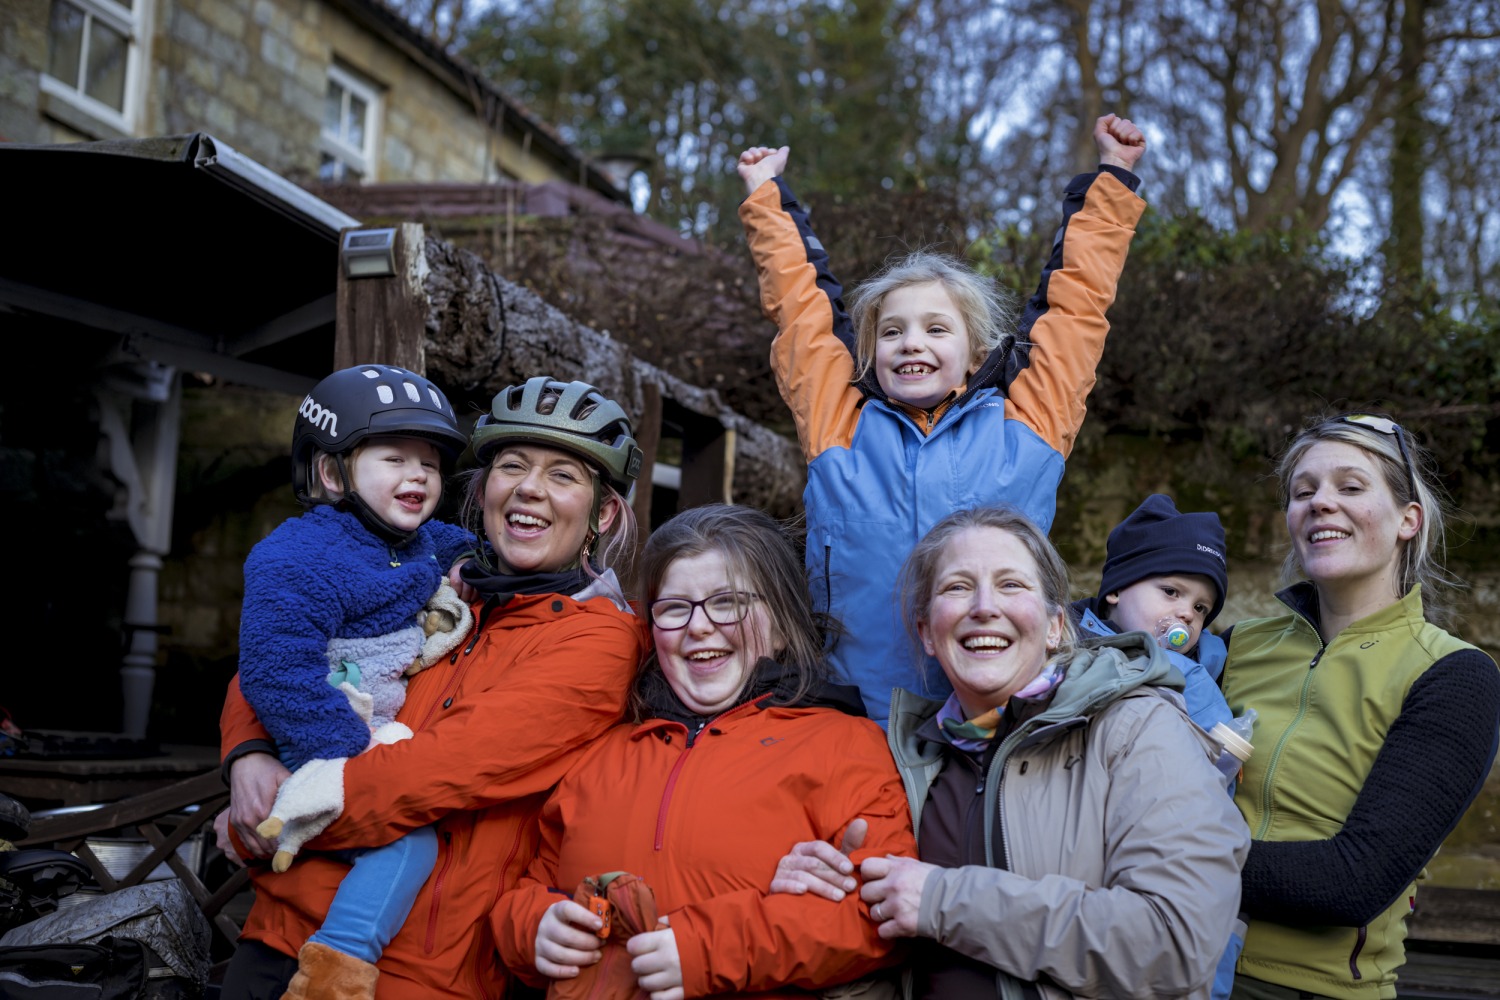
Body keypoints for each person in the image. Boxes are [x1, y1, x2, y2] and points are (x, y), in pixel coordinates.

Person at [215, 376, 649, 1000]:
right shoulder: (429, 579)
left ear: (602, 513)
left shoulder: (599, 640)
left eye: (563, 476)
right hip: (278, 937)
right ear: (484, 489)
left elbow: (437, 773)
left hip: (418, 971)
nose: (530, 487)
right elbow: (281, 652)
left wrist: (277, 816)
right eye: (513, 466)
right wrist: (249, 751)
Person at [736, 115, 1147, 725]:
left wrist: (1114, 177)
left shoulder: (1029, 423)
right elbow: (803, 316)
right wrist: (766, 193)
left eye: (935, 328)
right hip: (859, 712)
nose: (910, 343)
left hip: (997, 715)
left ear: (975, 353)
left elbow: (1078, 307)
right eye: (892, 332)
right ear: (870, 353)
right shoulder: (837, 422)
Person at [774, 506, 1249, 999]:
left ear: (1055, 627)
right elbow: (887, 956)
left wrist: (946, 902)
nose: (983, 606)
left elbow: (1177, 943)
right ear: (926, 632)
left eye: (1011, 585)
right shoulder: (910, 762)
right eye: (957, 587)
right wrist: (823, 903)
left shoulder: (1138, 729)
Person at [492, 504, 917, 999]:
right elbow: (525, 889)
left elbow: (880, 913)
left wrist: (705, 951)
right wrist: (533, 929)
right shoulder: (599, 751)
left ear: (781, 625)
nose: (698, 626)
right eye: (674, 608)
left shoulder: (843, 744)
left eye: (727, 602)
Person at [1219, 414, 1500, 1000]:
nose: (1322, 503)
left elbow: (1353, 881)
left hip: (1312, 989)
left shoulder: (1454, 674)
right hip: (1174, 964)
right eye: (1304, 491)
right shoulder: (1237, 645)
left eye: (1350, 486)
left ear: (1408, 520)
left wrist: (1155, 860)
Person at [234, 364, 475, 998]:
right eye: (395, 458)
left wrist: (477, 566)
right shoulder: (296, 557)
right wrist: (352, 754)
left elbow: (464, 545)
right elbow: (276, 671)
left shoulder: (420, 541)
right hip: (320, 731)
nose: (418, 475)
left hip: (370, 725)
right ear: (332, 471)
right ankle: (334, 971)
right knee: (407, 847)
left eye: (429, 463)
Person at [1070, 493, 1235, 737]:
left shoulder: (1199, 672)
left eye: (1200, 608)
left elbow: (1219, 753)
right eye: (1171, 592)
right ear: (1117, 589)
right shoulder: (1065, 636)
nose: (1187, 613)